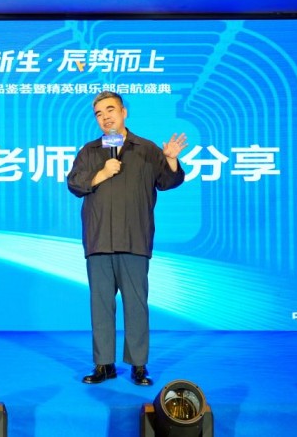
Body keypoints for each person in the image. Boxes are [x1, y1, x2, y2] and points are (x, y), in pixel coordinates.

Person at [67, 91, 187, 386]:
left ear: (124, 112)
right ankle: (103, 364)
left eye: (110, 110)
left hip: (134, 238)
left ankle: (138, 365)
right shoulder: (89, 152)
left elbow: (168, 181)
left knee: (136, 305)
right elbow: (75, 183)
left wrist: (171, 160)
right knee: (100, 305)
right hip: (99, 239)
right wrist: (101, 174)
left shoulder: (146, 149)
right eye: (99, 113)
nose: (105, 117)